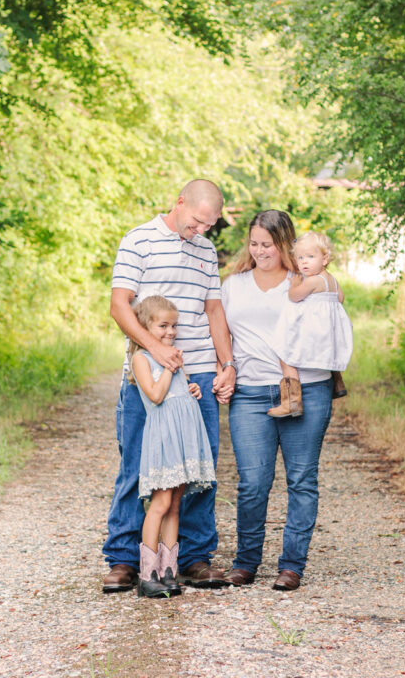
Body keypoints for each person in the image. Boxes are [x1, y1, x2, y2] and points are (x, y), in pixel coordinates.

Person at [101, 179, 236, 593]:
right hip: (147, 375)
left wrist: (226, 364)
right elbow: (119, 304)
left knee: (196, 470)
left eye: (208, 226)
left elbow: (213, 309)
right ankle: (125, 559)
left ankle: (192, 557)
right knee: (138, 465)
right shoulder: (139, 240)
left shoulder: (206, 250)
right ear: (180, 203)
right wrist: (154, 349)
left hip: (195, 378)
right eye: (196, 222)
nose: (201, 232)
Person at [220, 210, 334, 592]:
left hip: (306, 389)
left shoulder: (304, 281)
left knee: (302, 479)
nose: (259, 251)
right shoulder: (234, 285)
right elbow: (220, 332)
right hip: (251, 392)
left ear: (284, 244)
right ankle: (246, 562)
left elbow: (332, 316)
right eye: (253, 244)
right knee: (253, 482)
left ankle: (291, 566)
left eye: (267, 244)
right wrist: (226, 367)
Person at [128, 296, 216, 598]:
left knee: (176, 504)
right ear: (144, 327)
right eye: (163, 325)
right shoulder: (142, 358)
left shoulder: (173, 358)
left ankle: (168, 571)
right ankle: (147, 573)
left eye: (174, 325)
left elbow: (177, 391)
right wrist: (169, 367)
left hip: (184, 436)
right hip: (165, 437)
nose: (170, 331)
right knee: (160, 503)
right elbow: (155, 395)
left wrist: (190, 387)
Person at [266, 230, 353, 418]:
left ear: (324, 259)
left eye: (310, 257)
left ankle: (292, 401)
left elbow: (294, 297)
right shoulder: (332, 280)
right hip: (327, 334)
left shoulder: (312, 281)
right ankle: (337, 383)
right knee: (327, 357)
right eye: (300, 258)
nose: (304, 262)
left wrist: (294, 285)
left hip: (312, 333)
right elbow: (340, 298)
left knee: (284, 352)